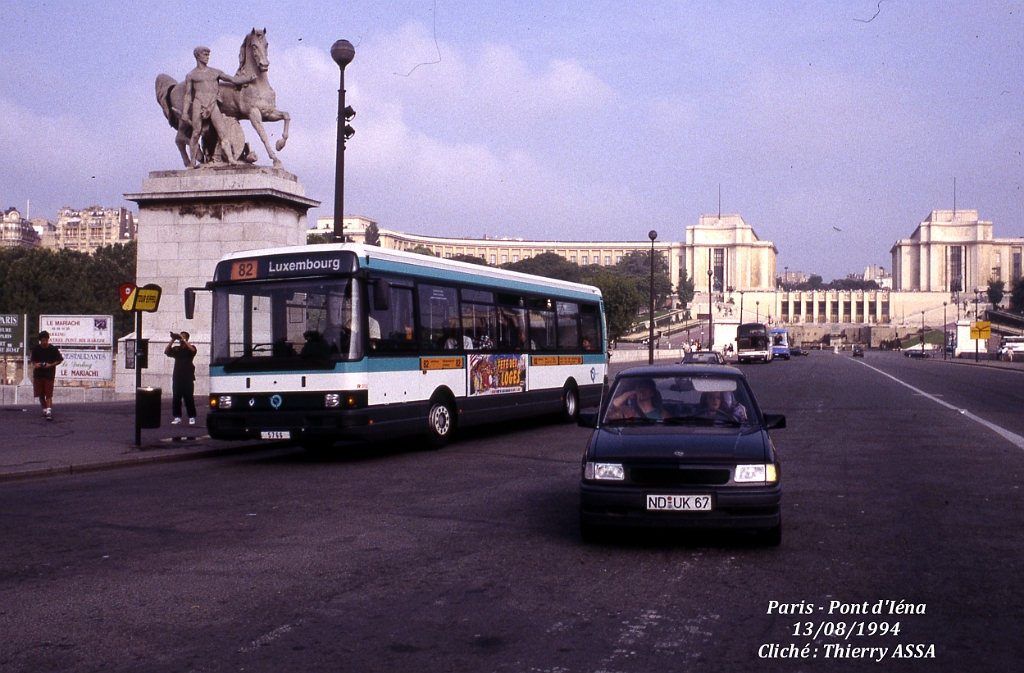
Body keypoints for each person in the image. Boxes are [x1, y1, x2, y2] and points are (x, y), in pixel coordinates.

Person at [183, 46, 255, 168]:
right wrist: (185, 112)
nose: (207, 57)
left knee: (223, 132)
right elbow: (188, 95)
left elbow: (232, 80)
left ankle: (231, 159)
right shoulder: (191, 75)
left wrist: (247, 79)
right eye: (205, 55)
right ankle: (192, 161)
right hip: (198, 103)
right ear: (198, 56)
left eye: (208, 55)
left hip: (212, 103)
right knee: (195, 133)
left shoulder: (215, 72)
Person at [165, 331, 197, 425]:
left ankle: (191, 417)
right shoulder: (177, 349)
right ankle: (177, 416)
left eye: (183, 337)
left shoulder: (190, 348)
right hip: (177, 377)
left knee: (188, 398)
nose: (181, 339)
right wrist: (173, 339)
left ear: (187, 338)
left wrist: (184, 340)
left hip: (188, 377)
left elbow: (192, 351)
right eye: (181, 337)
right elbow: (167, 352)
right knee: (176, 398)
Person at [31, 331, 63, 421]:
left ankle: (49, 412)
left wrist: (50, 365)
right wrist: (36, 364)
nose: (44, 342)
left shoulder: (53, 349)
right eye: (42, 340)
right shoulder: (36, 349)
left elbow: (59, 360)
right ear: (40, 340)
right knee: (40, 394)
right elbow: (33, 359)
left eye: (46, 340)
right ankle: (44, 411)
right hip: (38, 374)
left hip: (49, 374)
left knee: (48, 394)